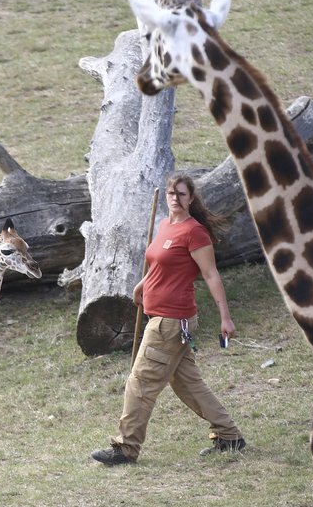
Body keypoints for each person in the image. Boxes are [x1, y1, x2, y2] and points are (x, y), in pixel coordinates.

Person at [91, 174, 246, 465]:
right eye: (172, 193)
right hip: (166, 319)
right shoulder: (165, 225)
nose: (176, 198)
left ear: (191, 198)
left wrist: (226, 317)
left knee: (140, 382)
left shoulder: (194, 232)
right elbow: (159, 266)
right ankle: (229, 435)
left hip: (170, 322)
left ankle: (126, 447)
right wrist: (143, 285)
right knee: (188, 383)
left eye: (182, 194)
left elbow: (211, 275)